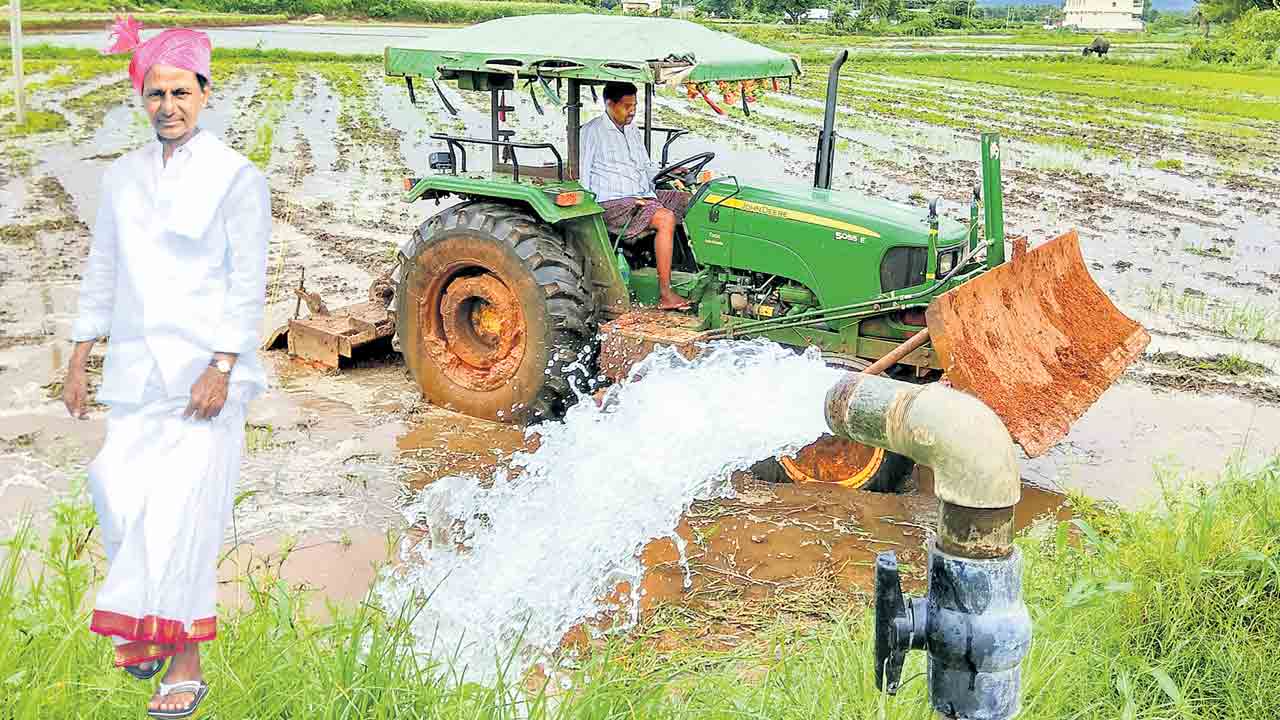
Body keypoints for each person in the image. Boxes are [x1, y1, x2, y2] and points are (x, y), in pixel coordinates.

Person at [63, 15, 271, 719]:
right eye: (155, 94)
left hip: (204, 379)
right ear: (141, 99)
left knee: (180, 515)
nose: (168, 106)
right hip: (135, 372)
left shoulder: (235, 178)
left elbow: (248, 282)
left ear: (205, 93)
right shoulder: (121, 178)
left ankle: (184, 668)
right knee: (115, 489)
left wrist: (222, 363)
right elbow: (103, 266)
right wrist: (80, 349)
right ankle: (142, 631)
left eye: (181, 91)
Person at [579, 81, 692, 310]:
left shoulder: (632, 131)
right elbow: (583, 176)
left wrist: (669, 170)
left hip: (643, 195)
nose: (632, 111)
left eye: (635, 106)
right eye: (627, 106)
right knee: (665, 218)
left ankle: (695, 271)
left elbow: (646, 167)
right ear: (609, 104)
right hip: (612, 203)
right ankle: (665, 294)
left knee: (691, 202)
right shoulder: (591, 132)